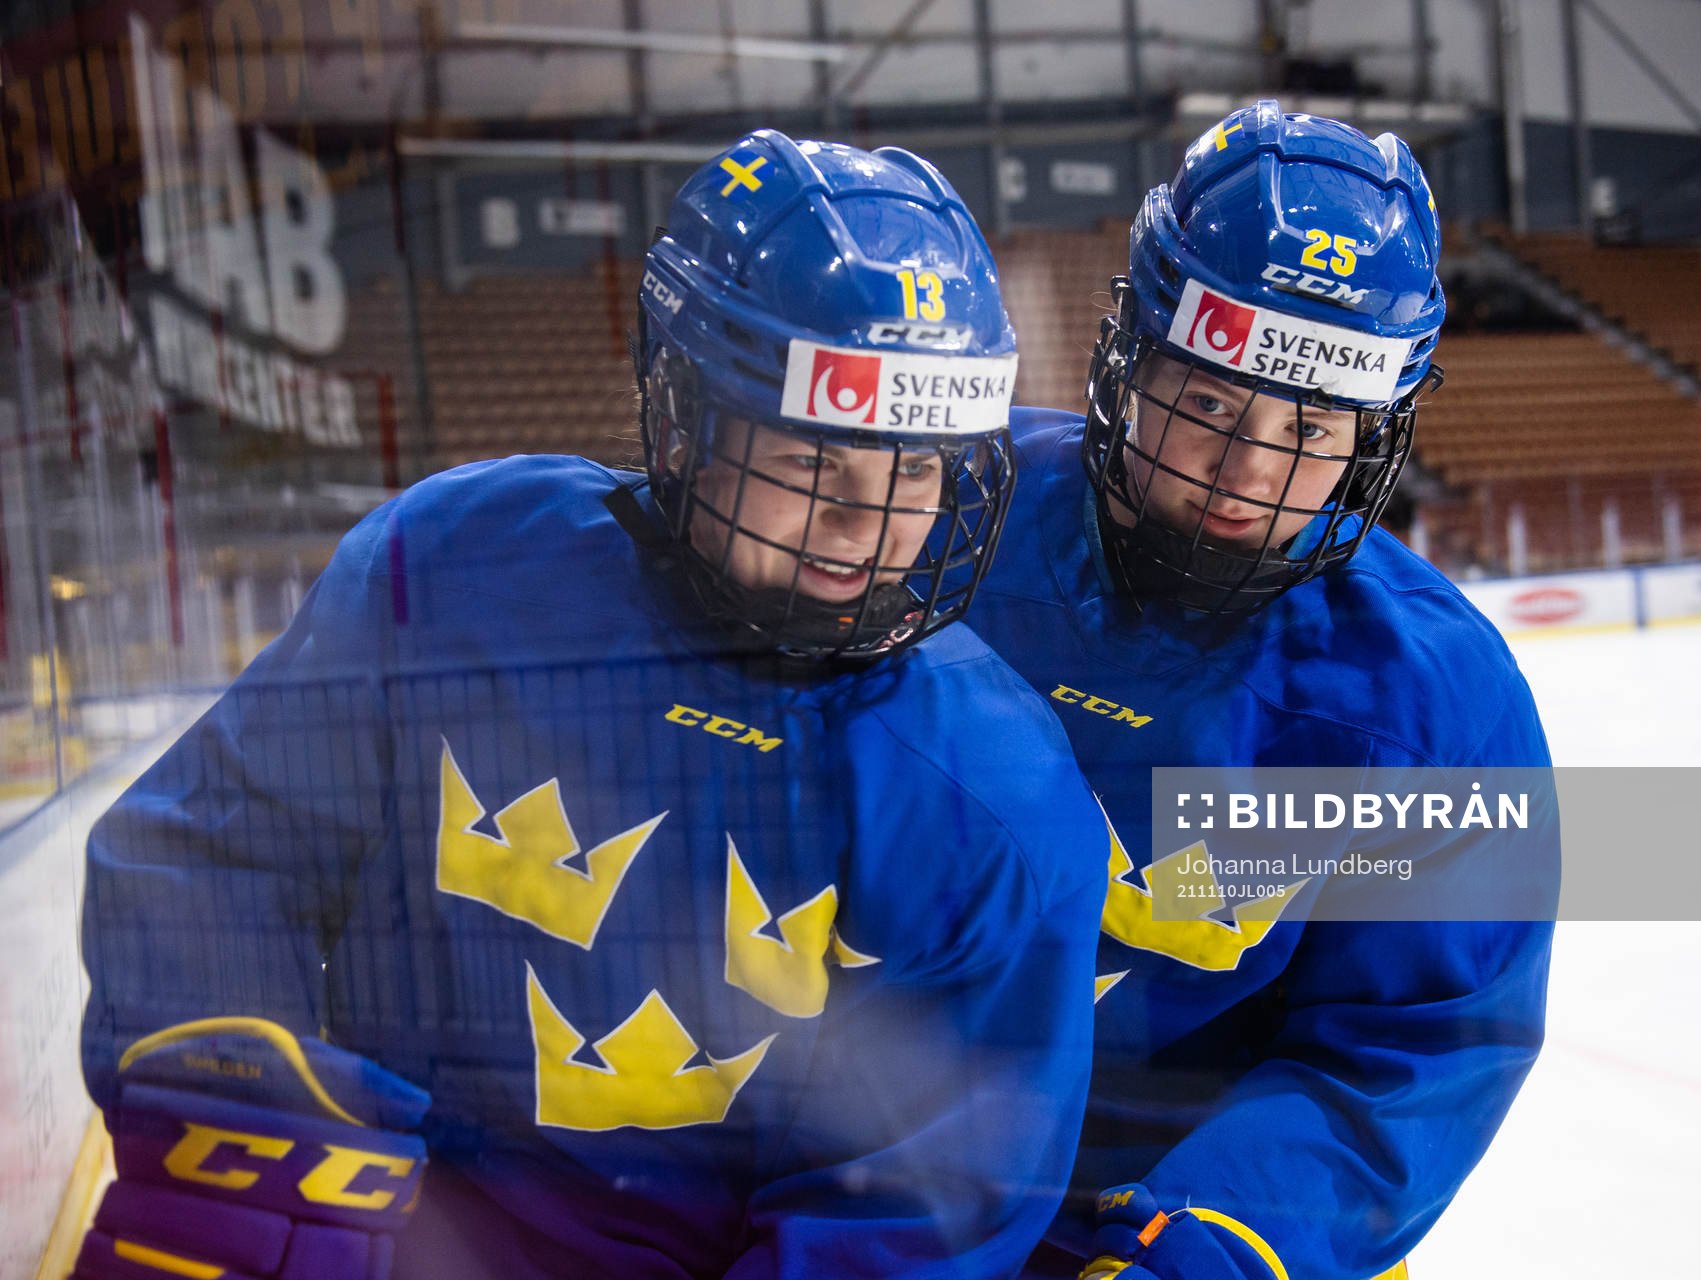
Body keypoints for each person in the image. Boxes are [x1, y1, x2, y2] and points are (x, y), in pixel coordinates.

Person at [74, 130, 1109, 1280]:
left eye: (915, 468)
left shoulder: (999, 792)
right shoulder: (457, 569)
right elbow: (215, 851)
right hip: (374, 1226)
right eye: (817, 458)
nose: (866, 524)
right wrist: (248, 1118)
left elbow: (919, 1207)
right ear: (687, 416)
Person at [961, 105, 1558, 1280]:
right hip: (882, 1200)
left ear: (1375, 430)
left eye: (1312, 426)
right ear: (1132, 359)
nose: (1248, 471)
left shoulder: (1437, 696)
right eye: (1210, 403)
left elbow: (1412, 1042)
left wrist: (1203, 1250)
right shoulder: (947, 525)